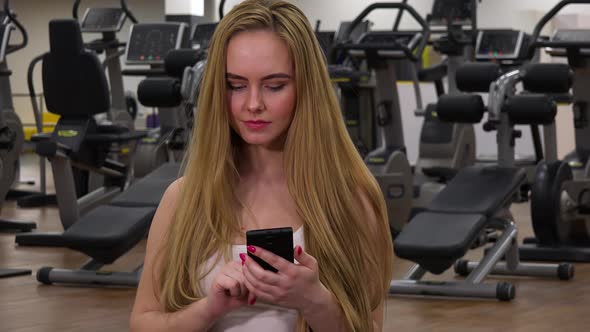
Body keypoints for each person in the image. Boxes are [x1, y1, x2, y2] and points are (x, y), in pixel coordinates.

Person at [129, 0, 393, 331]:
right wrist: (211, 308)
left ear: (305, 89)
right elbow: (144, 323)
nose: (253, 104)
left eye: (275, 85)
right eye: (236, 86)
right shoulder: (183, 199)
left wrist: (314, 301)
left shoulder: (352, 200)